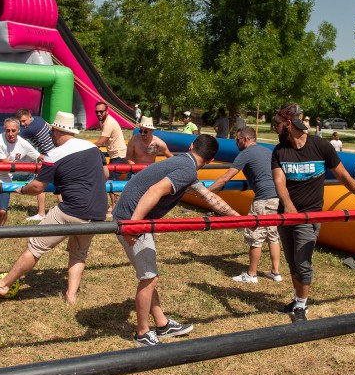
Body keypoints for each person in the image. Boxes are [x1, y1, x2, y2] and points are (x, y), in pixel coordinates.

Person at [114, 135, 240, 346]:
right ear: (210, 161)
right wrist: (132, 225)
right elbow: (155, 190)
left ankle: (162, 325)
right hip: (133, 221)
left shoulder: (184, 165)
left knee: (150, 275)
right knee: (149, 278)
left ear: (191, 146)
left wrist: (239, 219)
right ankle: (142, 334)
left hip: (133, 218)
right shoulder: (186, 169)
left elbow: (208, 197)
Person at [0, 112, 109, 305]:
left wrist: (21, 190)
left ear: (56, 131)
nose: (51, 136)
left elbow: (37, 187)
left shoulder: (54, 155)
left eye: (52, 132)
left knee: (35, 246)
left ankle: (4, 284)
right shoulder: (93, 148)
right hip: (98, 212)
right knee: (79, 253)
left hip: (71, 210)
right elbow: (105, 174)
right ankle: (71, 296)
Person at [271, 103, 355, 322]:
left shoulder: (321, 147)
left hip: (310, 215)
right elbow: (279, 182)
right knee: (292, 261)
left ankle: (301, 306)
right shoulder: (280, 151)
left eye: (279, 123)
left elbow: (344, 176)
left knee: (303, 261)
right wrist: (288, 206)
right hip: (286, 215)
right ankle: (297, 298)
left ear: (289, 124)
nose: (276, 126)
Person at [207, 127, 283, 283]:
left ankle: (251, 275)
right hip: (277, 197)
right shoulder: (266, 151)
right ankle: (275, 272)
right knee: (273, 235)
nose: (236, 142)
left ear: (246, 139)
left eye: (237, 139)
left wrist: (206, 191)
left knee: (255, 236)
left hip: (263, 199)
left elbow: (225, 178)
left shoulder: (245, 153)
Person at [17, 108, 55, 222]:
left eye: (24, 121)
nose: (23, 124)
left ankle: (41, 213)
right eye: (21, 122)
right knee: (60, 183)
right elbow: (49, 127)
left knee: (39, 184)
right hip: (56, 154)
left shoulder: (29, 129)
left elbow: (16, 139)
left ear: (29, 116)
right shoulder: (39, 119)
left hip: (47, 157)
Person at [93, 102, 128, 217]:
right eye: (96, 111)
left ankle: (115, 209)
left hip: (119, 156)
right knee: (110, 181)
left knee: (112, 183)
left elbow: (100, 142)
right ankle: (114, 206)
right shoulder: (104, 121)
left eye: (101, 111)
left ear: (107, 111)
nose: (98, 114)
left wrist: (86, 147)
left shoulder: (109, 123)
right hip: (116, 156)